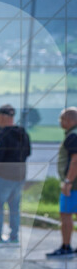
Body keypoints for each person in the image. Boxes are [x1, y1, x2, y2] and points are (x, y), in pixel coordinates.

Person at [0, 104, 31, 245]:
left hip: (4, 177)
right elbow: (28, 152)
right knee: (14, 208)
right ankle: (14, 237)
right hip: (20, 176)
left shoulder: (3, 135)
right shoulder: (23, 133)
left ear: (3, 117)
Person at [48, 107, 77, 257]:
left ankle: (66, 247)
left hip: (73, 184)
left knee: (65, 214)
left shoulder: (72, 136)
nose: (60, 122)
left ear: (70, 120)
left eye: (62, 119)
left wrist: (68, 181)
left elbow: (75, 160)